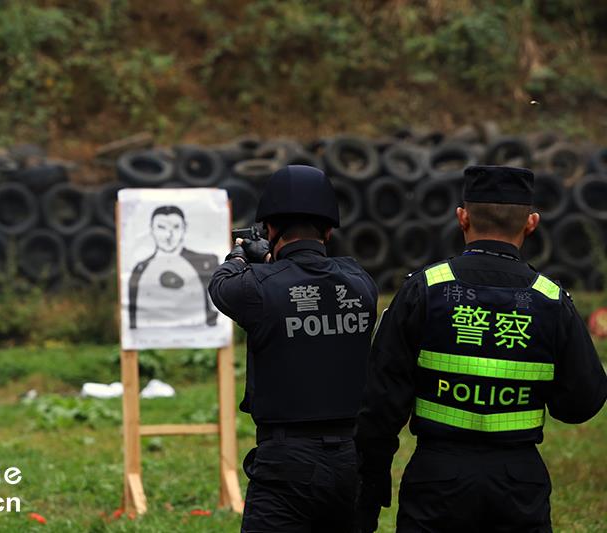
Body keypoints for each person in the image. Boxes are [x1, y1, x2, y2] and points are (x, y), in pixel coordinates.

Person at [354, 165, 607, 532]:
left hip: (436, 480)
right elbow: (583, 402)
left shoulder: (423, 290)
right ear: (531, 223)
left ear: (462, 217)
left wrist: (369, 487)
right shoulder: (551, 301)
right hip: (519, 483)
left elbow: (378, 406)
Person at [209, 165, 378, 532]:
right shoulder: (361, 284)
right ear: (329, 230)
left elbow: (221, 286)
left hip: (285, 461)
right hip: (348, 458)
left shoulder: (258, 287)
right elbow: (312, 280)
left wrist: (240, 256)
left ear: (270, 229)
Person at [128, 205, 218, 329]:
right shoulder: (140, 268)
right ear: (151, 229)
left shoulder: (206, 263)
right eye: (161, 227)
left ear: (184, 228)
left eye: (176, 227)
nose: (168, 235)